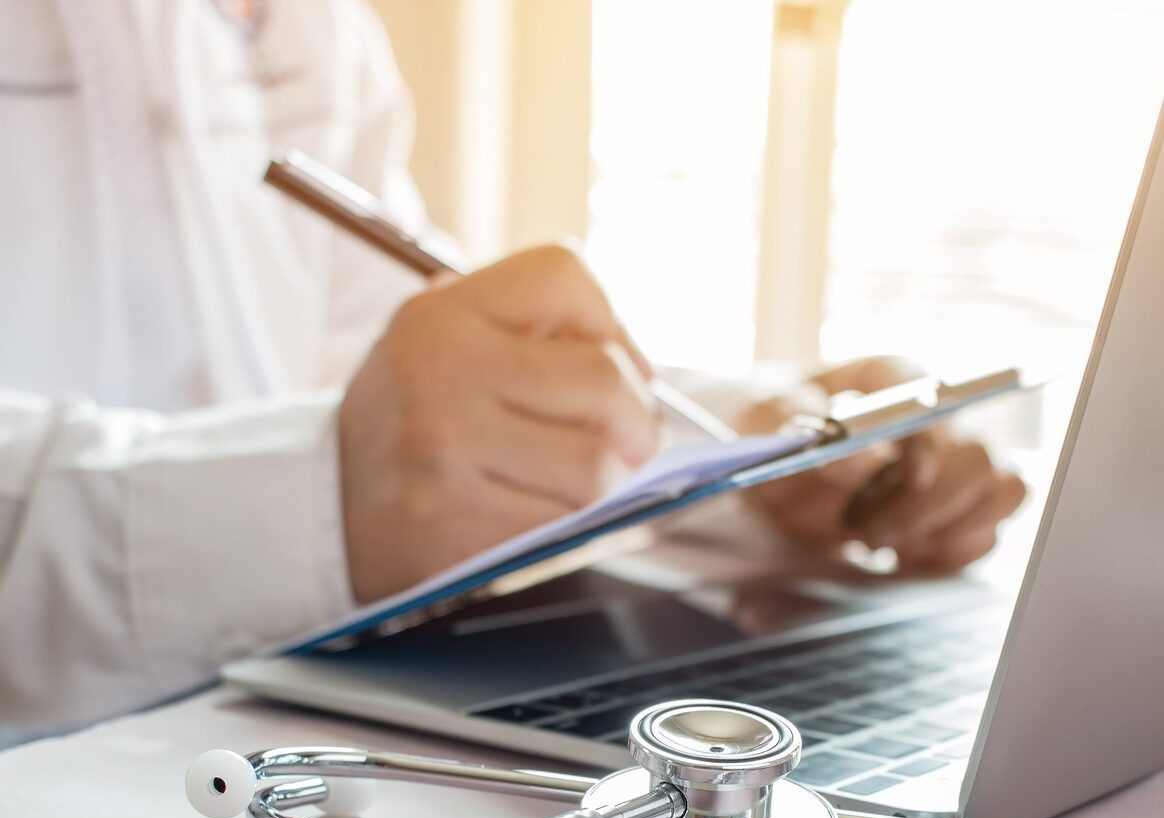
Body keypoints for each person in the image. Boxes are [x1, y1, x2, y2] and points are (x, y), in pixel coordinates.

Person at [0, 0, 1023, 740]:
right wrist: (327, 494)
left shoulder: (321, 29)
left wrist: (771, 448)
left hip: (256, 743)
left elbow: (404, 391)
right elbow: (347, 454)